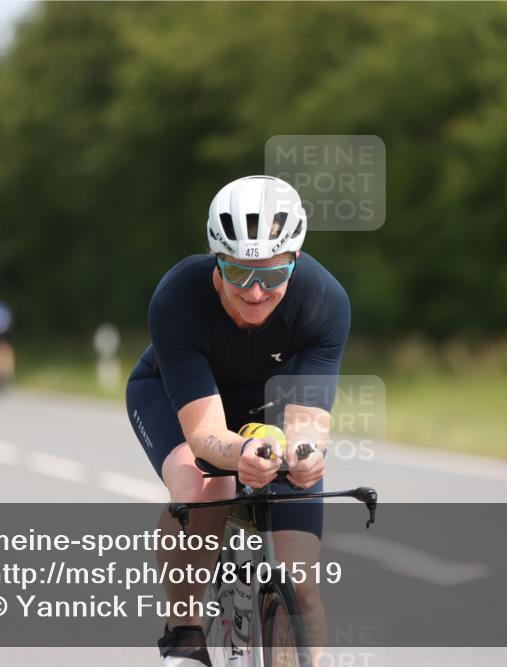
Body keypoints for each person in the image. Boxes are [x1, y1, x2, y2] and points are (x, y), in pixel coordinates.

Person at [126, 175, 350, 666]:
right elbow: (205, 433)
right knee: (204, 486)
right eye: (239, 273)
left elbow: (309, 421)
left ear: (295, 260)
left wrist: (307, 457)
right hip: (178, 399)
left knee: (303, 585)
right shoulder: (177, 298)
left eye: (272, 275)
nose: (254, 292)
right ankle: (183, 634)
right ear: (216, 260)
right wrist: (240, 455)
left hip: (272, 408)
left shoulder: (324, 301)